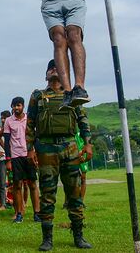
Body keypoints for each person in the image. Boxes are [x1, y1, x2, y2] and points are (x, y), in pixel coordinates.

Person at [26, 60, 92, 250]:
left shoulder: (71, 95)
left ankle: (78, 236)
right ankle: (47, 239)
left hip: (70, 146)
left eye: (58, 67)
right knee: (48, 194)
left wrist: (87, 144)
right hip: (46, 149)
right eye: (51, 68)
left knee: (75, 194)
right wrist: (30, 149)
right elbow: (30, 123)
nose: (54, 70)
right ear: (46, 74)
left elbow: (83, 119)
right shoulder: (37, 95)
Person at [3, 96, 40, 223]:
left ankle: (37, 213)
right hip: (15, 156)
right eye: (14, 105)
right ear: (11, 106)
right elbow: (7, 141)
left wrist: (36, 154)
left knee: (32, 184)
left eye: (18, 105)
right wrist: (8, 160)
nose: (16, 108)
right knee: (17, 185)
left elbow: (35, 138)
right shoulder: (8, 121)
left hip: (28, 155)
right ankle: (19, 214)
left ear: (23, 106)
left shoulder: (29, 119)